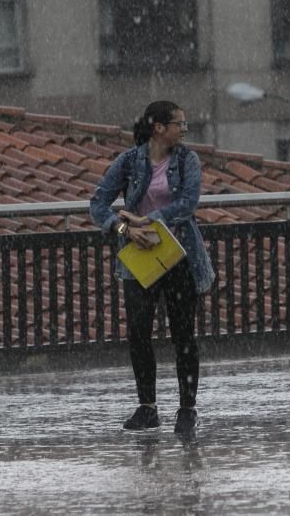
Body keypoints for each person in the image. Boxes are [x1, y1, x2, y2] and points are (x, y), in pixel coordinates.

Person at [90, 100, 214, 434]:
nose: (183, 130)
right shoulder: (130, 162)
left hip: (179, 255)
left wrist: (150, 220)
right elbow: (98, 204)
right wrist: (124, 229)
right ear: (159, 127)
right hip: (139, 257)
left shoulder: (188, 160)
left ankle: (187, 408)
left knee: (183, 335)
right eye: (179, 124)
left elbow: (188, 203)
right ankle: (147, 406)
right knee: (139, 332)